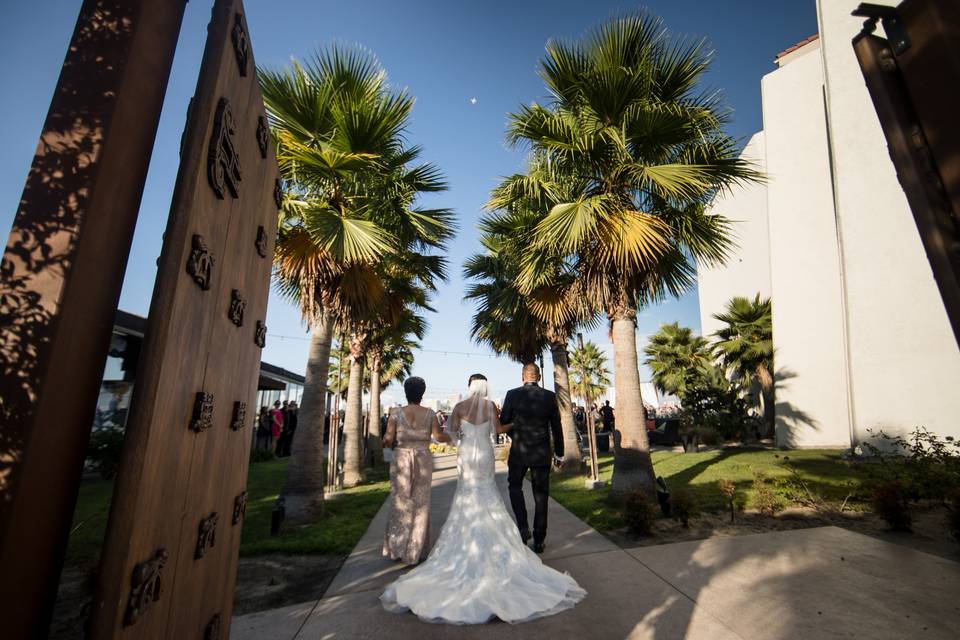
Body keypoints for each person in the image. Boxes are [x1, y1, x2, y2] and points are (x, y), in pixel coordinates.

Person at [381, 373, 585, 624]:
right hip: (485, 455)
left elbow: (450, 433)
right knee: (488, 493)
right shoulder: (490, 406)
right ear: (485, 387)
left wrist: (459, 440)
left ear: (469, 387)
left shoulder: (458, 407)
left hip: (467, 455)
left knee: (465, 495)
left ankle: (421, 546)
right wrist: (515, 424)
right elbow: (498, 429)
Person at [381, 377, 451, 565]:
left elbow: (388, 439)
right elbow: (438, 436)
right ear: (423, 393)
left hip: (401, 458)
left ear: (406, 392)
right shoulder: (430, 414)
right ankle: (416, 550)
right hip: (422, 459)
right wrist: (452, 436)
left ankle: (398, 548)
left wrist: (384, 443)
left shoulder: (395, 414)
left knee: (400, 500)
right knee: (421, 503)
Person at [500, 363, 564, 553]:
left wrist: (517, 436)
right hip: (542, 453)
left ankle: (522, 527)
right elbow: (557, 427)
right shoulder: (549, 396)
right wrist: (559, 453)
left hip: (519, 452)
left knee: (514, 487)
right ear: (539, 378)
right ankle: (539, 539)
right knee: (541, 496)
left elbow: (504, 422)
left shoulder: (512, 394)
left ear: (522, 377)